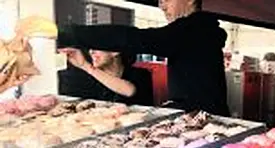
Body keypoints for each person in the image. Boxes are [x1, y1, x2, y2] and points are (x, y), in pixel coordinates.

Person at [16, 0, 229, 115]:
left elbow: (135, 38)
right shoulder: (198, 32)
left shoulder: (194, 29)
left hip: (208, 119)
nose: (161, 5)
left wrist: (65, 32)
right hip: (199, 116)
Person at [59, 48, 154, 105]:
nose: (91, 52)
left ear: (115, 51)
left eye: (97, 47)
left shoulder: (141, 74)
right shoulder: (88, 78)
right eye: (90, 48)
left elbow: (129, 91)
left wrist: (85, 65)